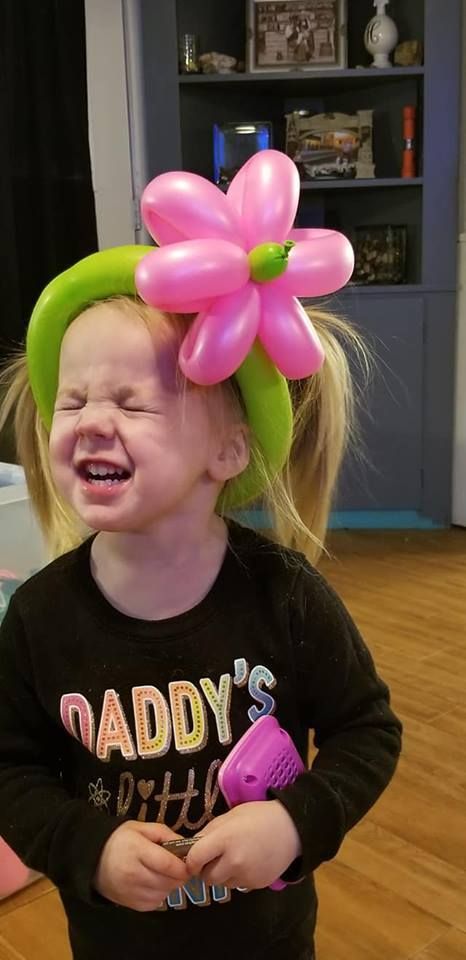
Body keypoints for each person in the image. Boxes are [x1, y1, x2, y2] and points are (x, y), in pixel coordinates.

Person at [0, 163, 402, 960]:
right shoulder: (41, 618)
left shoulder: (283, 596)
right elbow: (12, 770)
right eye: (72, 400)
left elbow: (366, 732)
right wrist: (89, 848)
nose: (89, 422)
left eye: (133, 402)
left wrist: (295, 822)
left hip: (267, 941)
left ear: (228, 448)